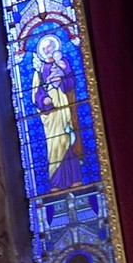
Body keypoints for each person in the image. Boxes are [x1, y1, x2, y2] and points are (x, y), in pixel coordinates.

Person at [32, 34, 84, 187]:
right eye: (44, 48)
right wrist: (44, 100)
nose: (47, 50)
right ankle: (56, 183)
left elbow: (71, 83)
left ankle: (75, 179)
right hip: (52, 115)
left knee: (69, 138)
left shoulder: (63, 63)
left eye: (49, 46)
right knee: (55, 144)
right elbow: (36, 93)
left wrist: (63, 78)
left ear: (55, 47)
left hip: (65, 108)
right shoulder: (40, 70)